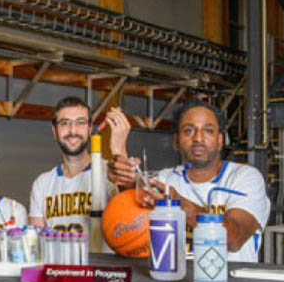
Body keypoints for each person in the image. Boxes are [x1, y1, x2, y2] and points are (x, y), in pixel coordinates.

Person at [109, 100, 270, 262]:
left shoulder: (245, 177)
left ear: (220, 140)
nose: (198, 138)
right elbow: (133, 206)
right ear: (176, 142)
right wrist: (122, 167)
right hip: (173, 281)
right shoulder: (165, 179)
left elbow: (234, 238)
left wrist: (179, 205)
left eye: (208, 131)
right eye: (188, 131)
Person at [28, 96, 131, 233]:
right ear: (54, 131)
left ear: (89, 128)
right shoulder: (42, 184)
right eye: (65, 123)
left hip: (100, 256)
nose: (73, 130)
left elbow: (130, 219)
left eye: (80, 122)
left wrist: (120, 150)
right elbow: (36, 242)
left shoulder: (109, 173)